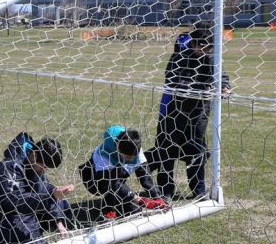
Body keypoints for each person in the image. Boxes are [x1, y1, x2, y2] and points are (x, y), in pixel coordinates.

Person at [148, 25, 231, 200]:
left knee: (197, 152)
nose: (206, 51)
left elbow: (222, 76)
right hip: (173, 112)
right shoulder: (178, 57)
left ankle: (199, 191)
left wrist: (225, 87)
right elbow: (175, 82)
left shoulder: (213, 58)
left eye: (210, 48)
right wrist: (204, 88)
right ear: (193, 43)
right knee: (166, 151)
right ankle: (165, 191)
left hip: (199, 113)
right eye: (203, 47)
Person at [0, 132, 74, 244]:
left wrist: (58, 222)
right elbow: (18, 202)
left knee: (63, 206)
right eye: (44, 167)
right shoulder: (7, 169)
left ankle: (37, 229)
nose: (44, 171)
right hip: (8, 215)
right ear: (34, 155)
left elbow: (44, 188)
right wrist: (51, 196)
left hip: (28, 209)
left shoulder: (35, 164)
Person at [79, 125, 170, 219]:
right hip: (95, 180)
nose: (131, 160)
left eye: (134, 157)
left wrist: (156, 196)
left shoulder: (135, 146)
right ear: (118, 149)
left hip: (116, 178)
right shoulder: (102, 156)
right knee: (113, 190)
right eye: (128, 157)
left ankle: (112, 201)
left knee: (135, 211)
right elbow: (113, 183)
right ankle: (108, 208)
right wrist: (138, 199)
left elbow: (144, 174)